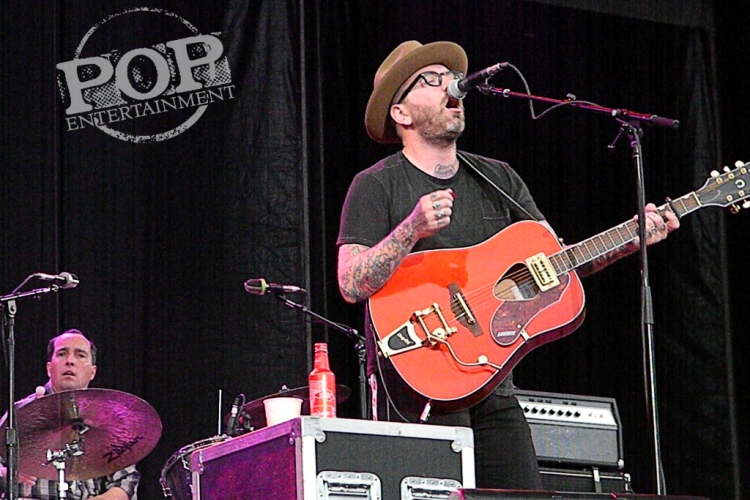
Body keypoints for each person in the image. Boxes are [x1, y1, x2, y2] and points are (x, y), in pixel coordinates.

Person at [336, 40, 679, 490]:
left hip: (494, 381)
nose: (451, 88)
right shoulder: (376, 184)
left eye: (451, 79)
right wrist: (411, 229)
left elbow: (558, 265)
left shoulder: (498, 178)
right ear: (401, 114)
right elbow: (350, 282)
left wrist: (630, 240)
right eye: (431, 80)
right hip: (421, 385)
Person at [0, 329, 140, 499]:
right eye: (62, 354)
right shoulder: (20, 413)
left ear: (93, 372)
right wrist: (7, 474)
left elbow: (126, 481)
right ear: (49, 368)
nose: (70, 361)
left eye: (80, 355)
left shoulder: (109, 420)